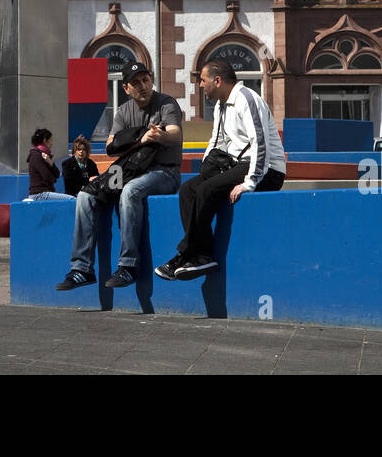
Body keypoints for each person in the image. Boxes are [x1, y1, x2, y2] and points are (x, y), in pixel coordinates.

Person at [155, 60, 286, 281]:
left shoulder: (247, 99)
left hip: (267, 170)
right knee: (189, 189)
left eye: (203, 80)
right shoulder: (220, 106)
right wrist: (207, 168)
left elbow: (259, 144)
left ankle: (186, 253)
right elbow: (217, 142)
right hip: (237, 165)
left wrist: (249, 183)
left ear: (217, 80)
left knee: (206, 189)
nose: (200, 86)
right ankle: (202, 256)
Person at [56, 61, 182, 290]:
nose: (143, 86)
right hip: (128, 171)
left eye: (145, 80)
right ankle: (81, 269)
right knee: (85, 195)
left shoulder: (166, 103)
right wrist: (140, 137)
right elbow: (110, 145)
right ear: (126, 89)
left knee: (130, 191)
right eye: (136, 83)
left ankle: (128, 266)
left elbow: (174, 133)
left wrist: (159, 135)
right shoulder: (123, 112)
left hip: (164, 172)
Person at [24, 128, 71, 201]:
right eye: (50, 140)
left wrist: (51, 163)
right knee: (71, 199)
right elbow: (48, 177)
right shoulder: (36, 155)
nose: (52, 143)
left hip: (46, 193)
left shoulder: (45, 156)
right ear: (45, 140)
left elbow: (57, 174)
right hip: (39, 194)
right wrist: (53, 178)